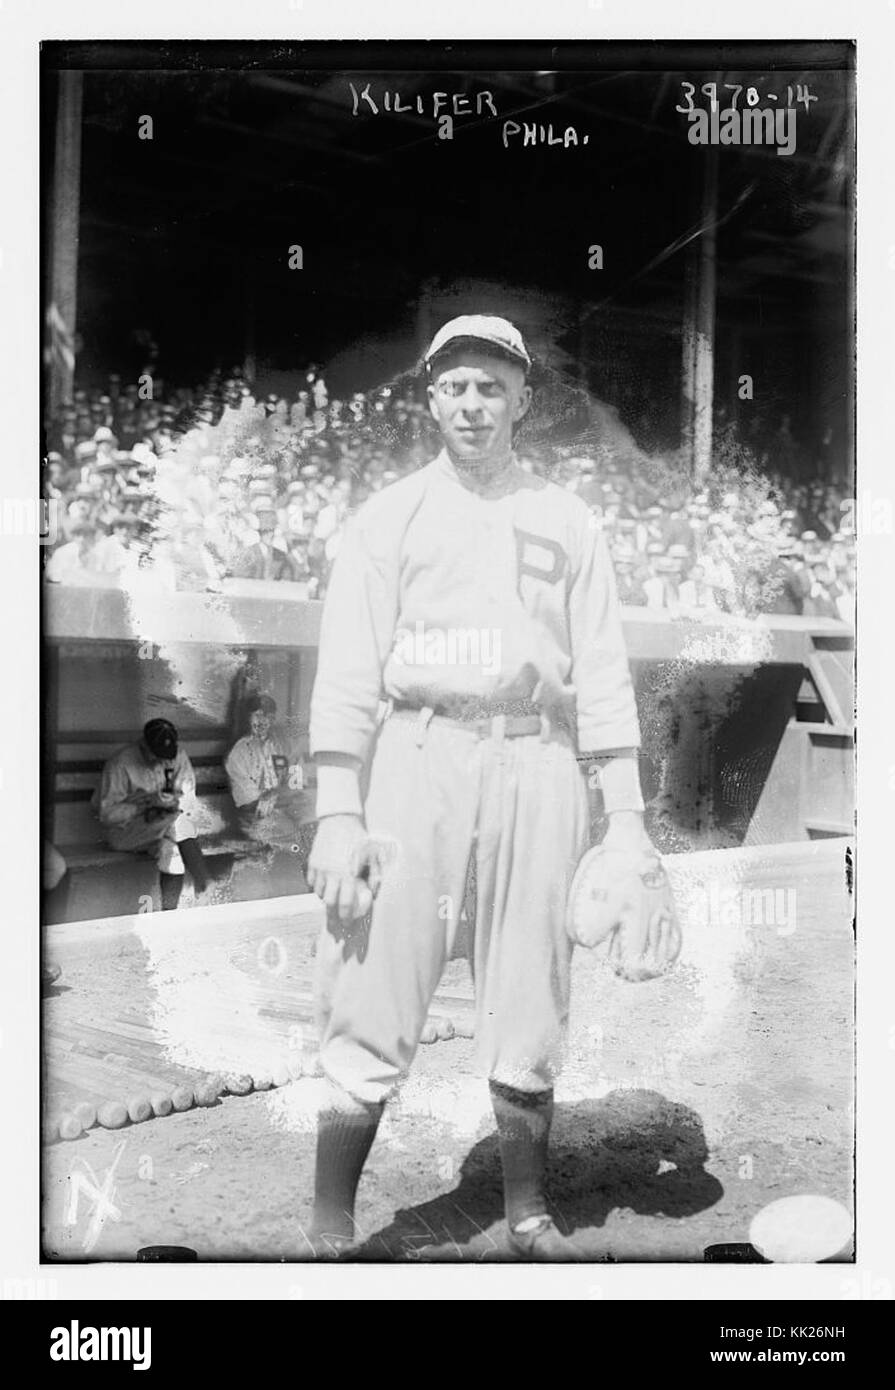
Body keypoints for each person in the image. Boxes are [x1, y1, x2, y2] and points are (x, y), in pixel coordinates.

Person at [304, 314, 673, 1261]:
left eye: (491, 386)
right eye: (455, 385)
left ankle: (526, 1213)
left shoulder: (567, 518)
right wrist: (338, 813)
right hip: (416, 758)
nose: (473, 403)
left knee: (529, 992)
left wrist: (626, 824)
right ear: (431, 399)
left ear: (522, 400)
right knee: (374, 981)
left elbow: (600, 674)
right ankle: (327, 1227)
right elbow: (346, 673)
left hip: (538, 764)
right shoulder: (388, 517)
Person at [93, 719, 210, 910]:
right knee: (177, 828)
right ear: (145, 745)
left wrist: (169, 805)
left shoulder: (178, 756)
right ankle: (204, 881)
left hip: (164, 828)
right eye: (158, 754)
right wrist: (144, 805)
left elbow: (189, 800)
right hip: (125, 833)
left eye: (167, 755)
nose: (164, 760)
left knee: (172, 850)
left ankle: (168, 915)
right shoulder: (121, 763)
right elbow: (106, 815)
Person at [224, 695, 310, 845]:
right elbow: (251, 804)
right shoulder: (238, 753)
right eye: (257, 715)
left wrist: (275, 793)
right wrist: (281, 792)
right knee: (295, 835)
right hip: (256, 819)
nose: (262, 721)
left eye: (268, 716)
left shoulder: (284, 745)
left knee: (315, 822)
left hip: (288, 808)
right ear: (249, 718)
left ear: (273, 719)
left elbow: (297, 785)